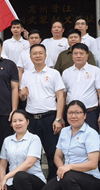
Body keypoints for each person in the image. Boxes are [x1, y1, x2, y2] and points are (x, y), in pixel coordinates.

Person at [41, 101, 100, 190]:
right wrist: (62, 168)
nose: (73, 116)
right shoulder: (64, 132)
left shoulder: (91, 133)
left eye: (77, 113)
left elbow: (93, 164)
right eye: (70, 113)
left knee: (69, 177)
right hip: (69, 175)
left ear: (85, 115)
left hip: (90, 177)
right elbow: (57, 156)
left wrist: (68, 167)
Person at [19, 44, 65, 179]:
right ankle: (35, 181)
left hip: (49, 117)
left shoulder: (53, 73)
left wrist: (58, 118)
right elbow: (23, 97)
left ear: (46, 56)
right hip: (31, 118)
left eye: (40, 53)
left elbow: (60, 97)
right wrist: (22, 95)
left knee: (52, 152)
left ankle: (53, 182)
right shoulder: (26, 74)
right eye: (34, 54)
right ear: (30, 57)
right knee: (32, 154)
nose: (37, 56)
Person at [0, 110, 46, 190]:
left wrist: (7, 176)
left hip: (33, 180)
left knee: (20, 176)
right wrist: (2, 181)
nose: (17, 123)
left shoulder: (34, 139)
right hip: (12, 181)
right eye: (14, 121)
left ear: (27, 122)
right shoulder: (7, 140)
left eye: (20, 120)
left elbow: (29, 163)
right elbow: (2, 163)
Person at [61, 43, 100, 132]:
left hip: (90, 113)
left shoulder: (95, 71)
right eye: (75, 53)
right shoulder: (66, 72)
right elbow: (63, 96)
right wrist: (61, 116)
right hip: (71, 114)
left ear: (87, 56)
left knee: (91, 137)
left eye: (81, 53)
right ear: (72, 55)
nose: (78, 56)